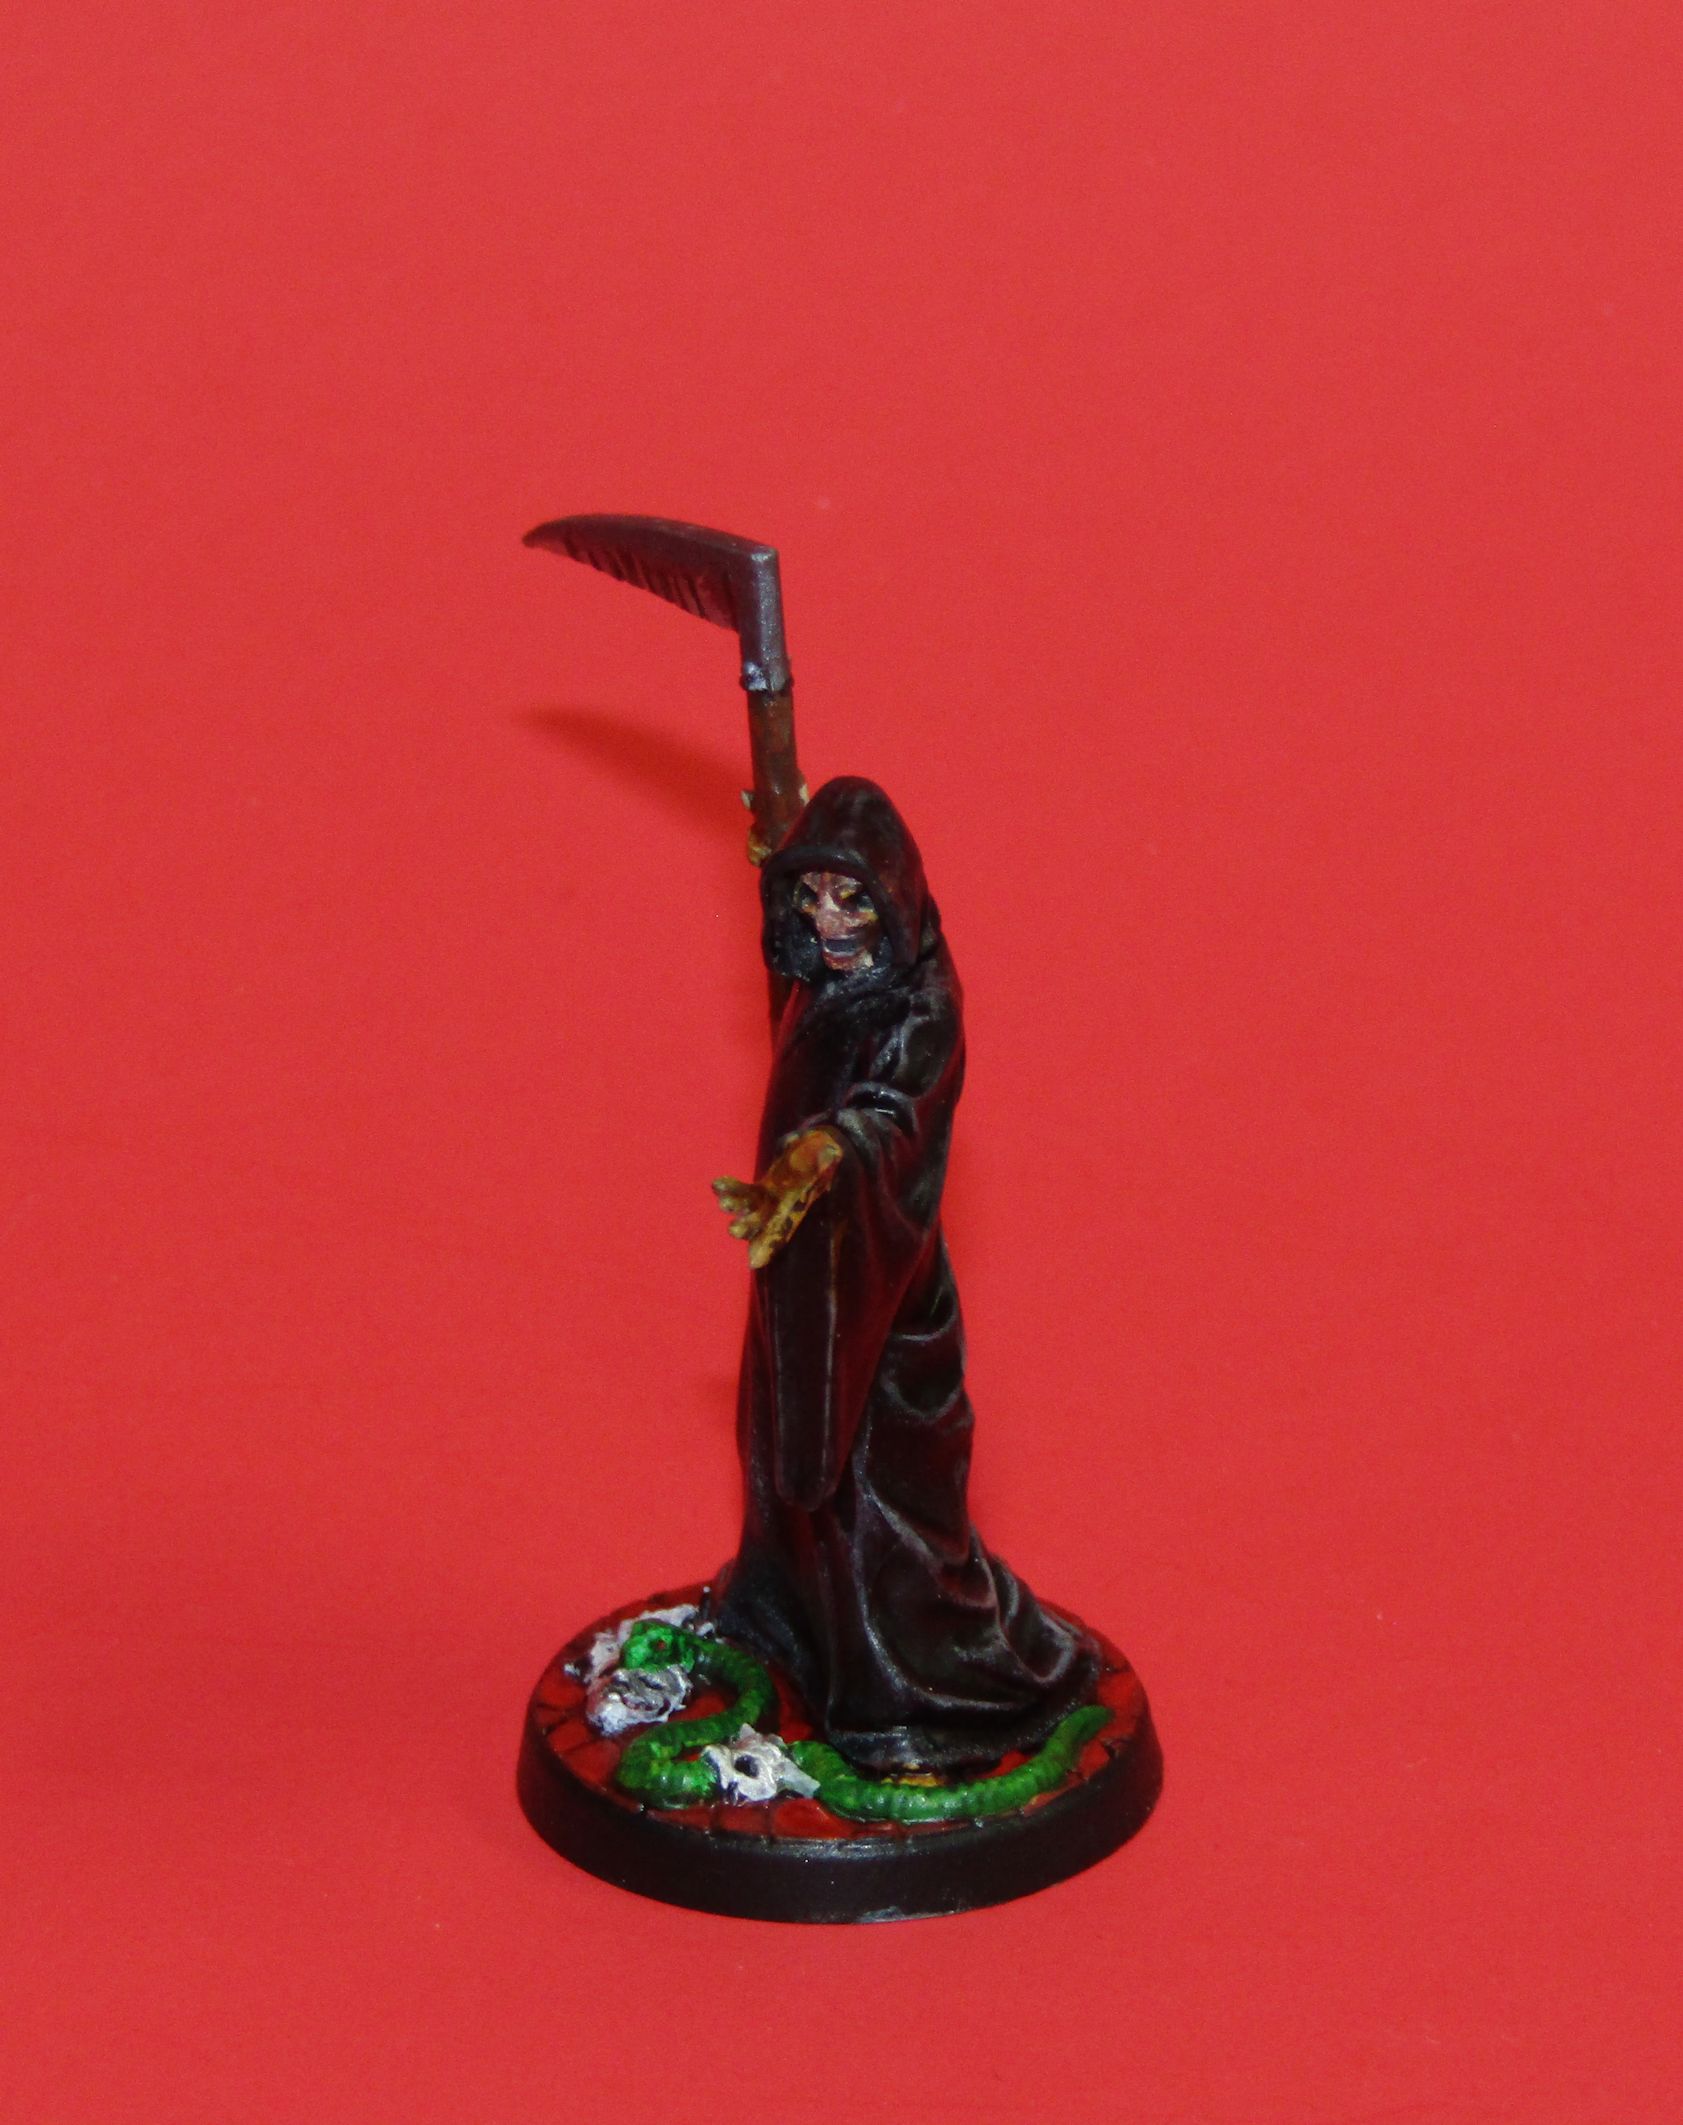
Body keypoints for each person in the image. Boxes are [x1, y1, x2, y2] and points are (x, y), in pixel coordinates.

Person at [709, 776, 1098, 1772]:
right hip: (805, 1278)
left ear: (894, 894)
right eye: (812, 897)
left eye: (853, 899)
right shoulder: (821, 976)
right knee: (787, 1457)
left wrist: (828, 1151)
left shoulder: (921, 1002)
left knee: (884, 1494)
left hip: (882, 1292)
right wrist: (777, 832)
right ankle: (791, 1623)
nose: (831, 922)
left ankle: (917, 1683)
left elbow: (894, 1111)